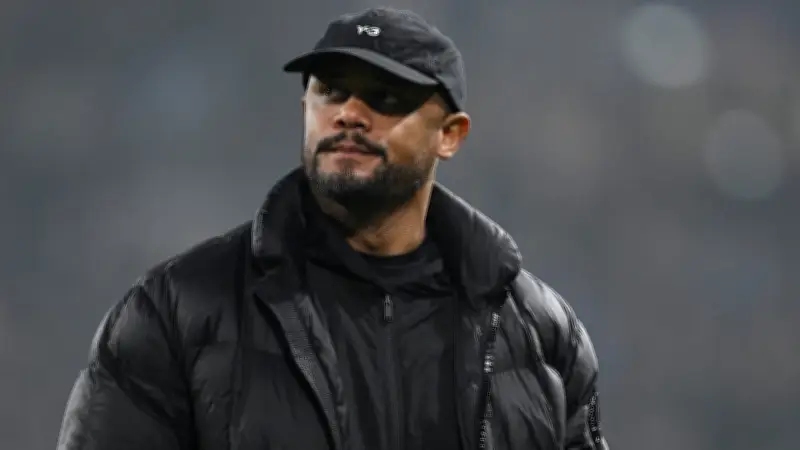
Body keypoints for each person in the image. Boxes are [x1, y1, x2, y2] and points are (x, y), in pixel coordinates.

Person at [57, 6, 609, 450]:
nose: (348, 113)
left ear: (450, 134)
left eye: (384, 97)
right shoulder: (176, 310)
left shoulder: (539, 332)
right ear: (305, 107)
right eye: (331, 91)